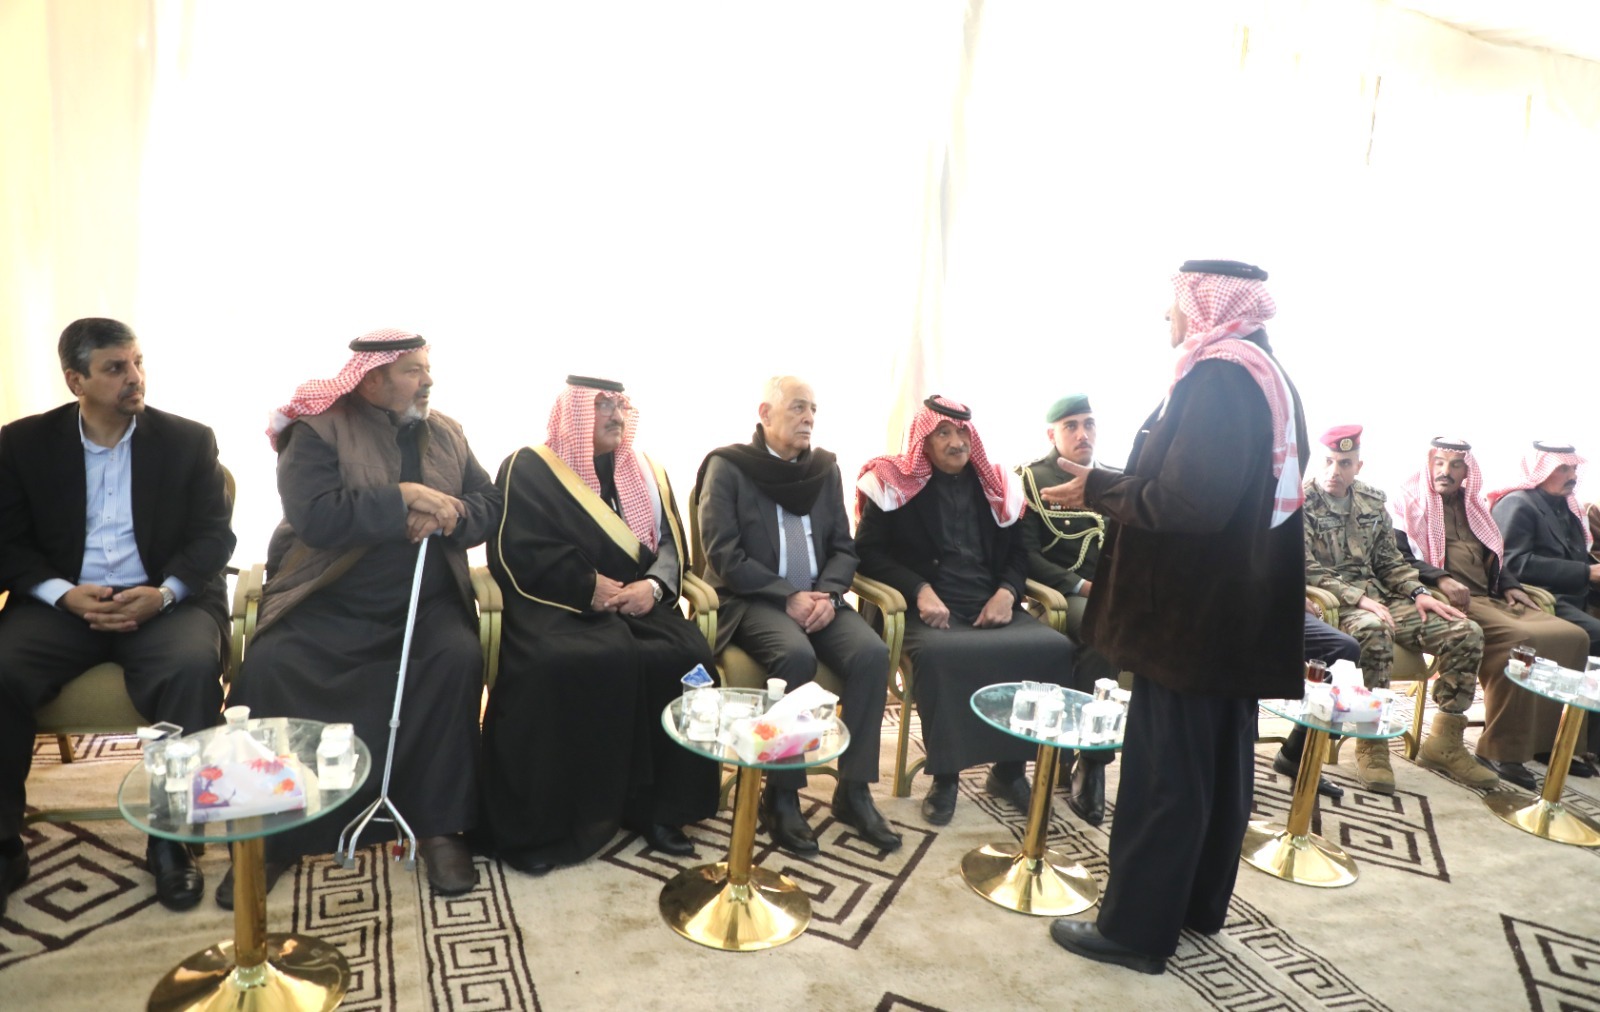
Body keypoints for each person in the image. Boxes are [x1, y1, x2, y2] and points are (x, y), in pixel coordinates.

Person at [1039, 259, 1307, 975]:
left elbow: (1189, 501)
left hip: (1188, 623)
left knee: (1165, 777)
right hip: (1229, 618)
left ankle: (1136, 931)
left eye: (1176, 302)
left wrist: (1102, 491)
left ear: (1207, 304)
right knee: (1217, 769)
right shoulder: (1265, 374)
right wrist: (1110, 485)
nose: (1169, 315)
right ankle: (1193, 907)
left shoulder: (1220, 378)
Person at [226, 328, 497, 906]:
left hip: (423, 602)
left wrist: (448, 513)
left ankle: (439, 827)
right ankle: (269, 837)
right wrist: (402, 497)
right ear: (371, 379)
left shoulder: (446, 431)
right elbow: (317, 518)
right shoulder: (316, 429)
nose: (428, 381)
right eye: (413, 370)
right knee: (272, 664)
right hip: (327, 598)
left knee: (456, 657)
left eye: (426, 369)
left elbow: (490, 503)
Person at [0, 318, 235, 913]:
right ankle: (4, 845)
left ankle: (173, 844)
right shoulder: (22, 444)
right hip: (62, 605)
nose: (135, 377)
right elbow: (7, 541)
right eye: (115, 368)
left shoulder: (188, 441)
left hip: (162, 602)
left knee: (190, 668)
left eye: (137, 362)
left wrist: (165, 593)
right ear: (76, 380)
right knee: (2, 669)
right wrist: (61, 593)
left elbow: (214, 537)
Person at [481, 376, 718, 874]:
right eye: (602, 406)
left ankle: (662, 809)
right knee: (567, 663)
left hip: (638, 602)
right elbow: (517, 550)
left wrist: (652, 588)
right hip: (558, 604)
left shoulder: (646, 470)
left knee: (685, 658)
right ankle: (558, 819)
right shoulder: (528, 467)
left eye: (620, 406)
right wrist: (586, 585)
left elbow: (671, 546)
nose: (615, 416)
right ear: (574, 412)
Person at [694, 376, 900, 854]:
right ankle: (781, 795)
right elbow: (723, 554)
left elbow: (844, 547)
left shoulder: (824, 469)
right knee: (795, 655)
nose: (808, 418)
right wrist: (787, 595)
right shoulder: (728, 468)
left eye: (813, 410)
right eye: (798, 408)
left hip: (819, 599)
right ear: (765, 413)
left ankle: (853, 791)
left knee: (871, 654)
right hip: (753, 599)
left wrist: (827, 594)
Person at [855, 395, 1074, 825]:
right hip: (927, 610)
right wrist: (918, 589)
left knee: (1051, 648)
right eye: (944, 433)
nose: (957, 442)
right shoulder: (891, 483)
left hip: (987, 602)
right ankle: (946, 777)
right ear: (923, 440)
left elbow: (1019, 554)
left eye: (962, 433)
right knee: (944, 656)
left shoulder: (997, 485)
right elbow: (867, 554)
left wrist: (1007, 593)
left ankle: (1009, 772)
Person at [1302, 424, 1496, 793]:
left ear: (1358, 466)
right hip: (1336, 604)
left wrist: (1418, 591)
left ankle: (1444, 742)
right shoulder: (1303, 502)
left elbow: (1390, 561)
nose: (1334, 471)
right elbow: (1305, 568)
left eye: (1344, 463)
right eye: (1328, 461)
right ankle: (1372, 743)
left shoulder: (1371, 501)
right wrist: (1359, 598)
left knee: (1465, 631)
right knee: (1374, 631)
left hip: (1383, 597)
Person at [1392, 438, 1589, 788]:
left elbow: (1495, 554)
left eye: (1455, 465)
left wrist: (1510, 584)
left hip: (1491, 596)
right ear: (1429, 463)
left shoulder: (1472, 505)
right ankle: (1499, 749)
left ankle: (1549, 743)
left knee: (1573, 636)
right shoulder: (1408, 503)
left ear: (1467, 470)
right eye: (1440, 463)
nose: (1446, 471)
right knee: (1522, 641)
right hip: (1449, 599)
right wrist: (1441, 578)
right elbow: (1397, 560)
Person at [1016, 393, 1117, 823]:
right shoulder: (1030, 479)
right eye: (1071, 426)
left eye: (1089, 424)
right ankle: (1092, 762)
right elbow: (1024, 555)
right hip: (1058, 598)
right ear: (1051, 434)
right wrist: (1082, 586)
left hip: (1114, 596)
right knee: (1105, 631)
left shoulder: (1114, 480)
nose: (1082, 434)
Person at [1490, 442, 1600, 764]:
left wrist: (1589, 573)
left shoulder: (1567, 506)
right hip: (1540, 599)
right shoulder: (1518, 504)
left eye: (1573, 468)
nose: (1571, 476)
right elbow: (1512, 564)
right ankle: (1580, 740)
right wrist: (1586, 573)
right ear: (1541, 470)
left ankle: (1581, 742)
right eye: (1562, 469)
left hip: (1574, 595)